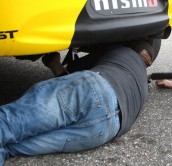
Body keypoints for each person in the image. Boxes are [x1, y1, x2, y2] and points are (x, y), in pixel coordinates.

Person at [0, 40, 154, 164]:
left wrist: (56, 62)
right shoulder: (142, 82)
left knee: (7, 124)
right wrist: (55, 66)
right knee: (9, 146)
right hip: (107, 129)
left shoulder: (122, 51)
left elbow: (75, 70)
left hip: (98, 90)